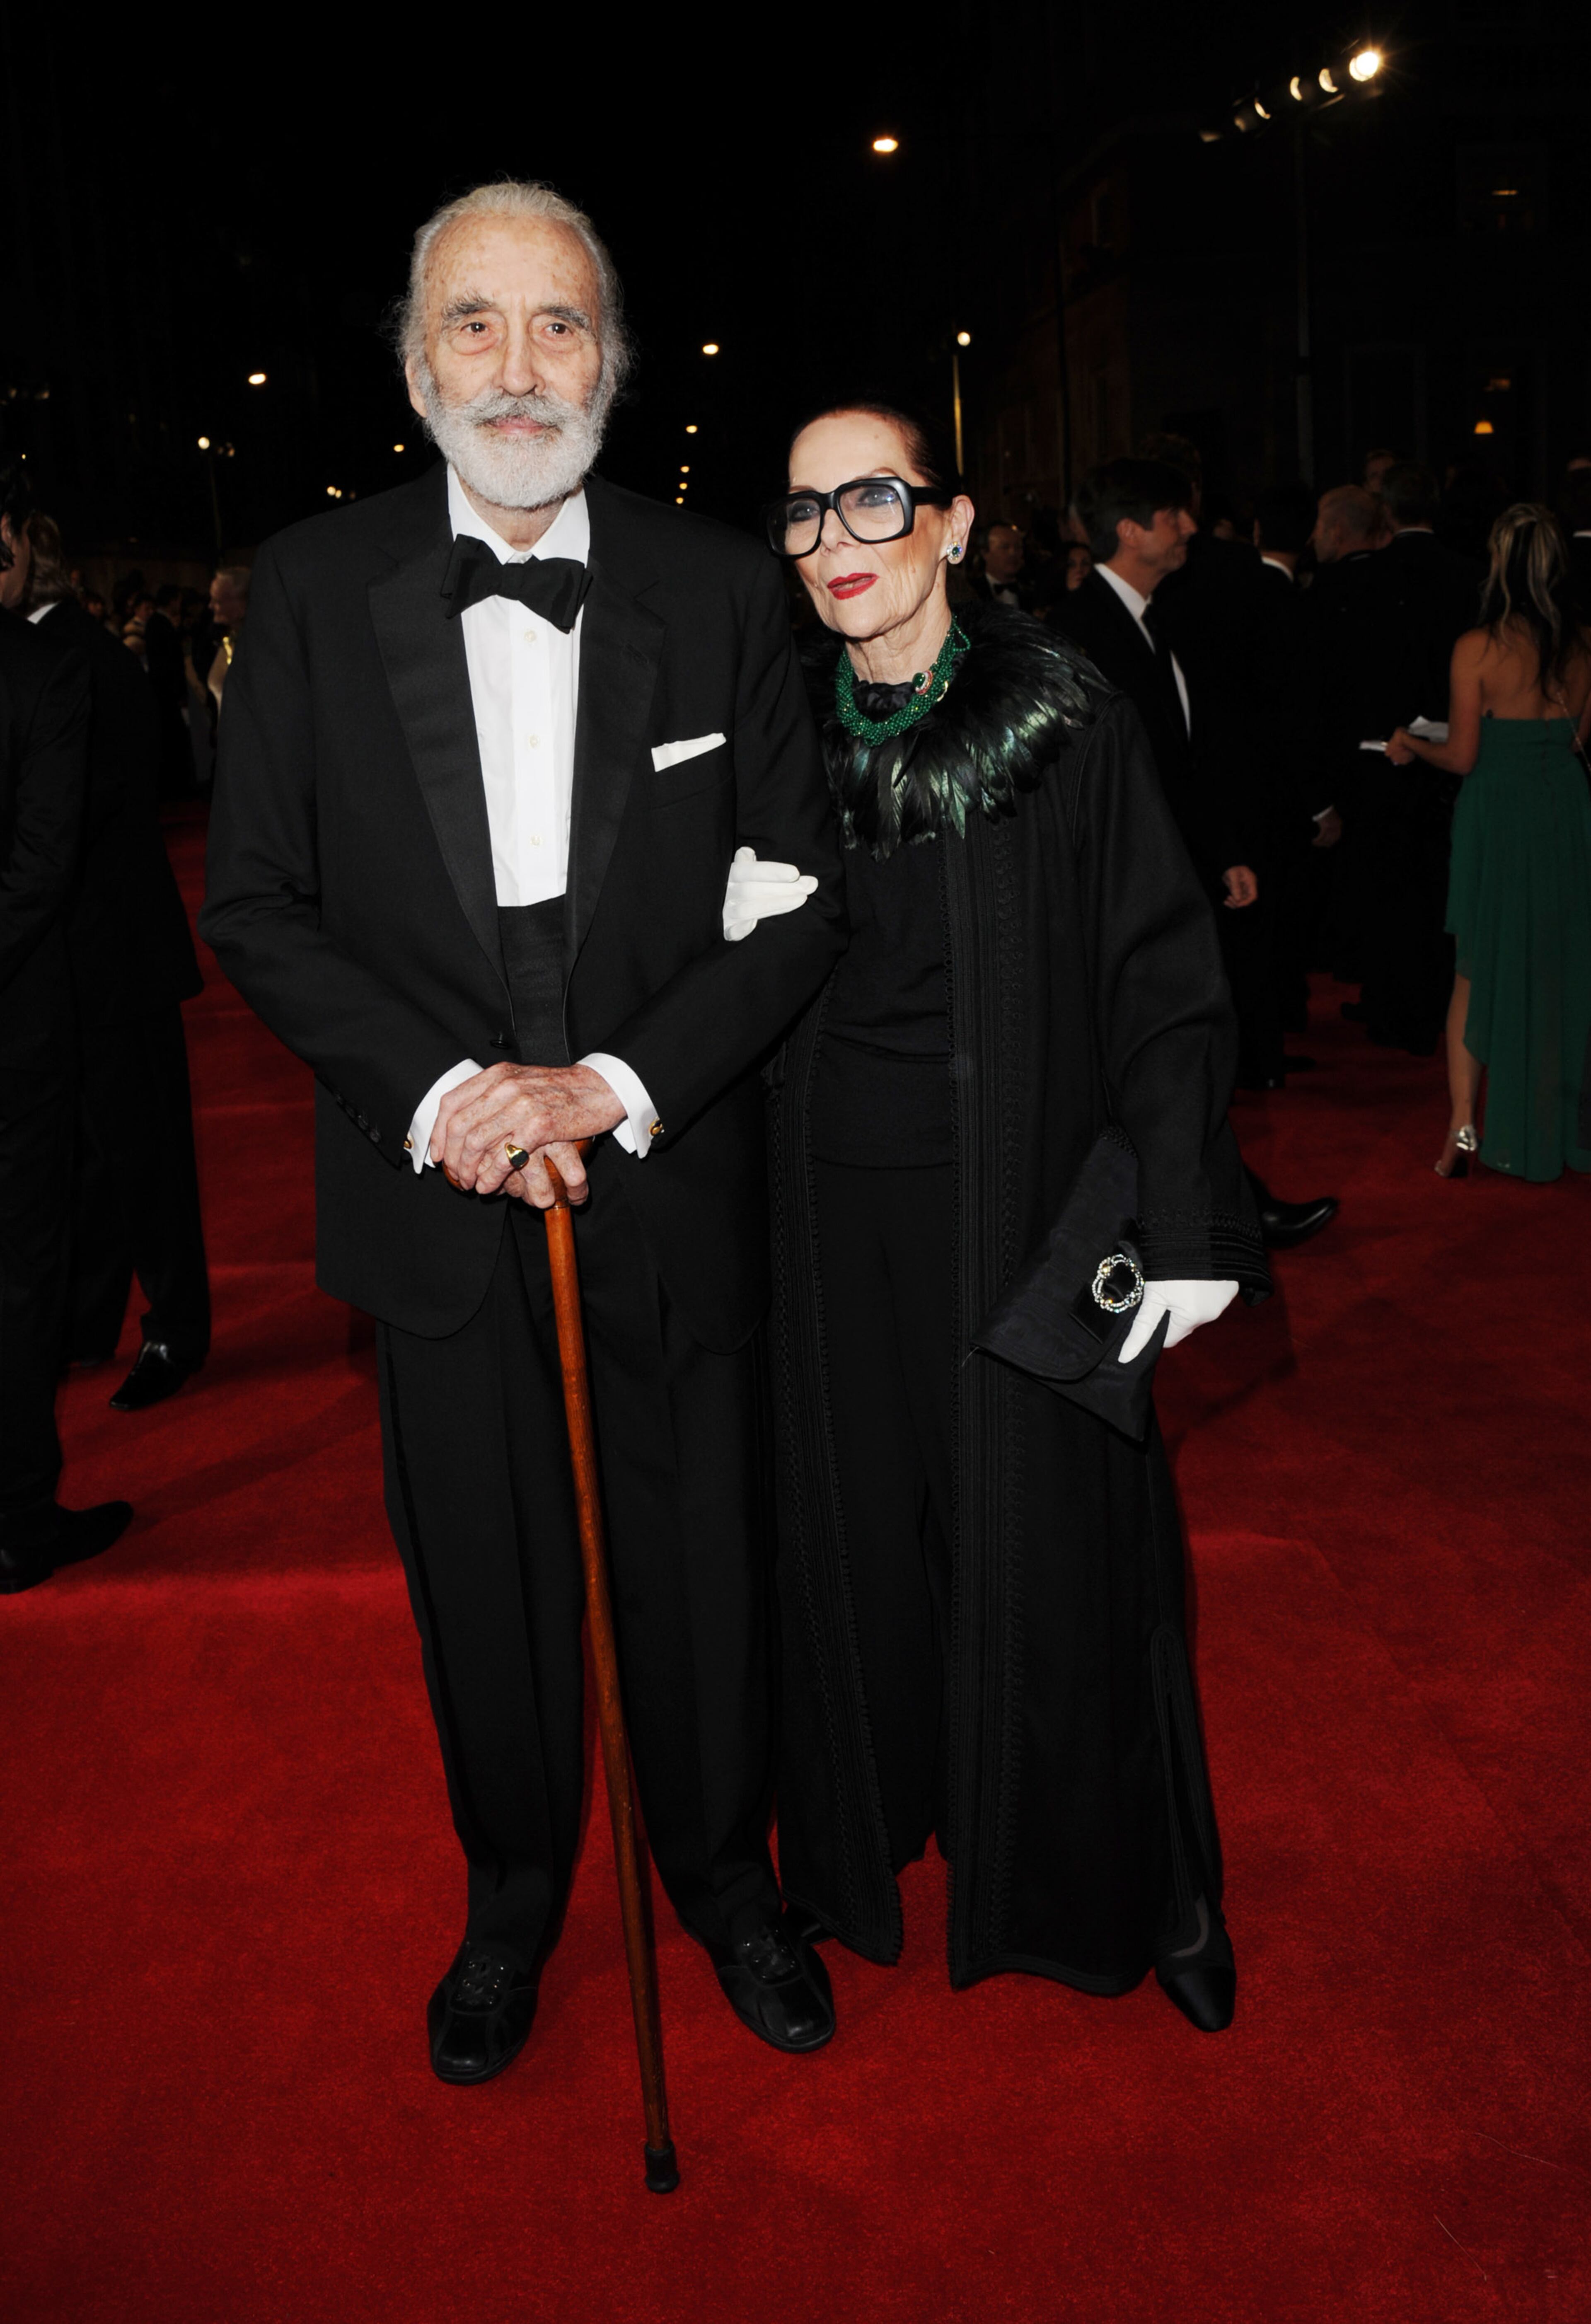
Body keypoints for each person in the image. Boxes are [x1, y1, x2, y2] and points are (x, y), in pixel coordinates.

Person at [201, 179, 845, 2086]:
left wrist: (625, 1082)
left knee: (701, 1568)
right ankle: (508, 1899)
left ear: (614, 365)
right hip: (436, 1192)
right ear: (415, 366)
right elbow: (254, 903)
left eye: (557, 323)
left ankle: (729, 1877)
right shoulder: (308, 593)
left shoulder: (720, 586)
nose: (516, 364)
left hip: (664, 1169)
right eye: (473, 324)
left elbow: (801, 894)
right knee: (481, 1585)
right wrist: (444, 1098)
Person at [764, 401, 1267, 2035]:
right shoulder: (771, 733)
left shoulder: (1064, 717)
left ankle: (1141, 1880)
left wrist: (1185, 1221)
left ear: (954, 523)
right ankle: (862, 1839)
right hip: (826, 1224)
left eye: (872, 501)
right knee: (854, 1550)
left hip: (1031, 1213)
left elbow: (1165, 982)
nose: (837, 539)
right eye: (805, 513)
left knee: (1069, 1552)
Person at [1057, 458, 1337, 1248]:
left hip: (1169, 875)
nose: (1189, 529)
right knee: (1168, 1059)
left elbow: (1184, 758)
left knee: (1182, 1057)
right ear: (1131, 530)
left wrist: (1222, 852)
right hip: (1123, 890)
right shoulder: (1081, 630)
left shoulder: (1153, 618)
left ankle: (1219, 1208)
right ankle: (1213, 1211)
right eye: (1173, 517)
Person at [17, 513, 210, 1408]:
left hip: (114, 952)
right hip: (84, 951)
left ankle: (177, 1326)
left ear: (25, 553)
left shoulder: (76, 656)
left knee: (144, 1155)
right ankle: (91, 1320)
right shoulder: (65, 650)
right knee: (96, 1158)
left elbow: (80, 816)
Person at [0, 495, 133, 1593]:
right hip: (15, 1033)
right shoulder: (38, 671)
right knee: (16, 1275)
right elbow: (41, 868)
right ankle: (16, 1519)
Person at [1387, 505, 1591, 1182]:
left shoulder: (1477, 647)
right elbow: (1578, 745)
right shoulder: (1585, 649)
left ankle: (1461, 1131)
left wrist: (1413, 742)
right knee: (1560, 968)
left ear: (1500, 564)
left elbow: (1466, 757)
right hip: (1563, 809)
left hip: (1498, 815)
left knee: (1475, 969)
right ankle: (1558, 1126)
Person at [1316, 470, 1480, 1056]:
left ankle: (1392, 1002)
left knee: (1386, 885)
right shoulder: (1467, 573)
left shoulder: (1365, 580)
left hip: (1383, 750)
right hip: (1451, 747)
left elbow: (1347, 679)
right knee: (1435, 880)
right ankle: (1432, 1000)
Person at [204, 567, 249, 712]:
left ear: (242, 604)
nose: (211, 606)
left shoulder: (256, 648)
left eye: (218, 601)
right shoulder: (229, 639)